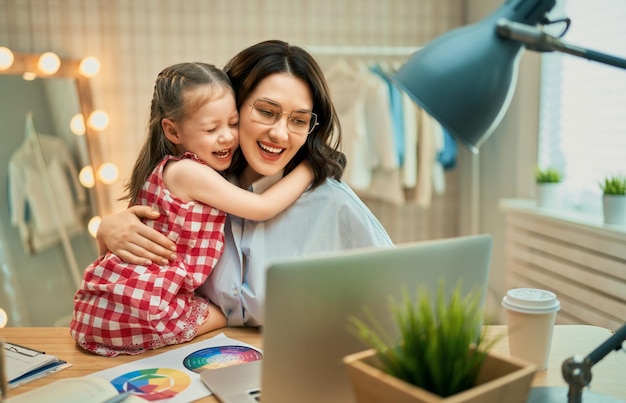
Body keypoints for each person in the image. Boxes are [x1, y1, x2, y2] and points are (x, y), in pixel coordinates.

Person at [96, 40, 395, 327]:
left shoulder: (334, 204)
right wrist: (105, 234)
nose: (280, 134)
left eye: (299, 121)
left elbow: (397, 301)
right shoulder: (188, 197)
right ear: (233, 106)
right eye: (267, 112)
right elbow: (130, 291)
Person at [70, 62, 314, 356]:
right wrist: (311, 167)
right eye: (212, 129)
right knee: (230, 316)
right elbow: (261, 207)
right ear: (173, 131)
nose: (227, 137)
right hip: (146, 305)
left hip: (130, 301)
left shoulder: (179, 171)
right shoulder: (188, 172)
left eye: (233, 124)